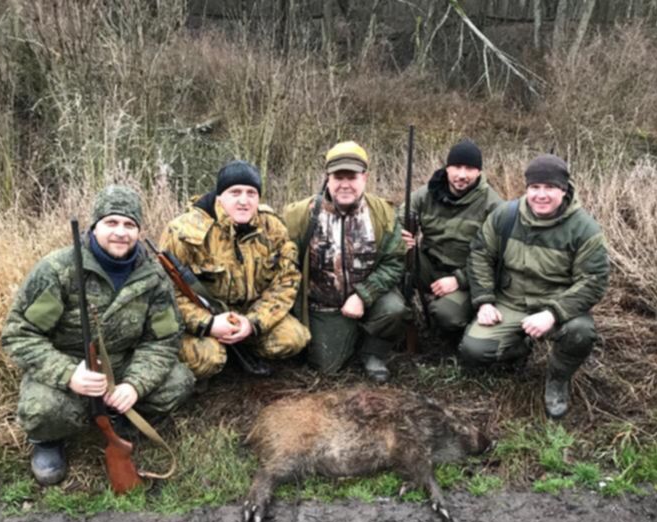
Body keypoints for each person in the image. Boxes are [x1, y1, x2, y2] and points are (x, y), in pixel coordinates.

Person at [2, 185, 195, 485]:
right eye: (111, 223)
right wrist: (68, 374)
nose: (121, 232)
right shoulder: (57, 270)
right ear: (94, 227)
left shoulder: (154, 277)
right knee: (43, 409)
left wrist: (134, 385)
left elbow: (163, 341)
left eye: (129, 225)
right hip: (68, 367)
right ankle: (49, 441)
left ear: (139, 231)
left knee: (179, 381)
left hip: (122, 367)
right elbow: (20, 334)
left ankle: (119, 422)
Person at [461, 154, 609, 418]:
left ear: (563, 191)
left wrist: (552, 313)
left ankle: (557, 379)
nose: (542, 195)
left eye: (550, 188)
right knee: (473, 351)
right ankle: (520, 347)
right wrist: (484, 300)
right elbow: (480, 254)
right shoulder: (505, 216)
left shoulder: (585, 229)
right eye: (535, 187)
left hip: (558, 306)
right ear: (526, 189)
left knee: (580, 333)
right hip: (511, 301)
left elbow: (593, 281)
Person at [160, 160, 309, 380]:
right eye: (235, 192)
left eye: (251, 193)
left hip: (250, 314)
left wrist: (252, 323)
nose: (243, 201)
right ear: (220, 196)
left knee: (293, 338)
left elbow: (286, 281)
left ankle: (243, 349)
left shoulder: (273, 227)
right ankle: (220, 357)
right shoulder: (183, 231)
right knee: (208, 359)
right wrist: (208, 324)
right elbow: (166, 293)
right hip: (204, 321)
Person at [284, 141, 410, 383]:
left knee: (395, 309)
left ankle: (373, 352)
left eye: (351, 177)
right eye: (337, 177)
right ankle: (346, 335)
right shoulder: (300, 215)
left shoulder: (382, 213)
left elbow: (394, 263)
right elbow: (286, 265)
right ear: (327, 178)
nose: (344, 185)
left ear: (364, 178)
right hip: (323, 305)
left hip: (369, 299)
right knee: (328, 369)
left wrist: (363, 295)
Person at [401, 139, 504, 337]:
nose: (462, 175)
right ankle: (396, 322)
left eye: (469, 169)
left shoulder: (493, 205)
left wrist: (459, 279)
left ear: (479, 172)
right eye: (457, 167)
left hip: (468, 274)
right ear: (447, 168)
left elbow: (497, 258)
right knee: (393, 257)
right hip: (429, 266)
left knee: (446, 315)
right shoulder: (425, 194)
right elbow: (397, 221)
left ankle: (466, 328)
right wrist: (401, 238)